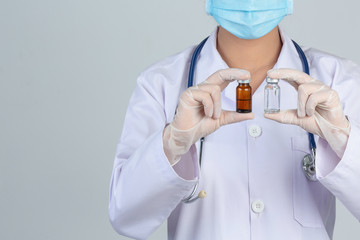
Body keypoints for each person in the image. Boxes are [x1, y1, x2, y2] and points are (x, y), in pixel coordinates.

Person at [108, 0, 360, 239]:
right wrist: (171, 144)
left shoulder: (338, 81)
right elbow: (125, 216)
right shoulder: (161, 84)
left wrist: (343, 140)